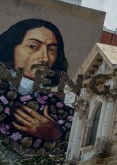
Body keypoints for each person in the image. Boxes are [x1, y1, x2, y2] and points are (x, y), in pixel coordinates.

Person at [0, 18, 73, 153]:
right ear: (11, 48)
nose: (44, 58)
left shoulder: (57, 107)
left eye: (51, 49)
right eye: (33, 46)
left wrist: (56, 134)